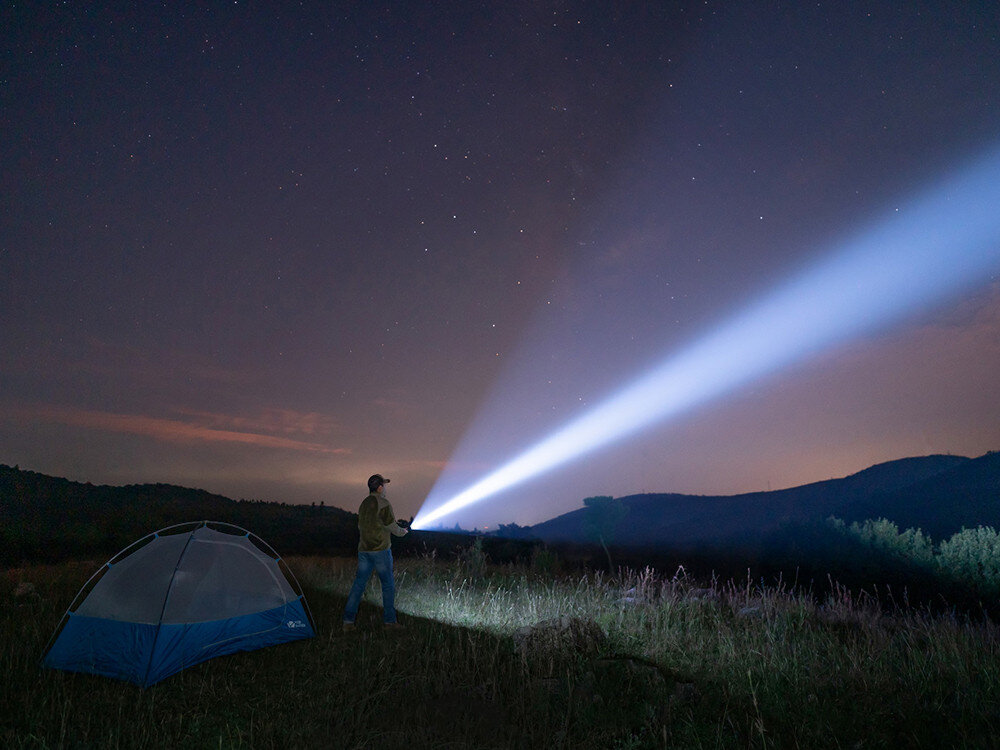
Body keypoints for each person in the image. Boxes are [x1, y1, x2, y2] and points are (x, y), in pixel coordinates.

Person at [342, 473, 408, 631]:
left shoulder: (364, 504)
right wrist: (403, 531)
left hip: (364, 550)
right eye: (383, 485)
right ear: (379, 487)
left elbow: (361, 526)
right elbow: (391, 526)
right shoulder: (383, 503)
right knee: (387, 585)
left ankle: (348, 622)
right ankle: (390, 622)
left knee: (358, 585)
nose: (384, 488)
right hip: (380, 551)